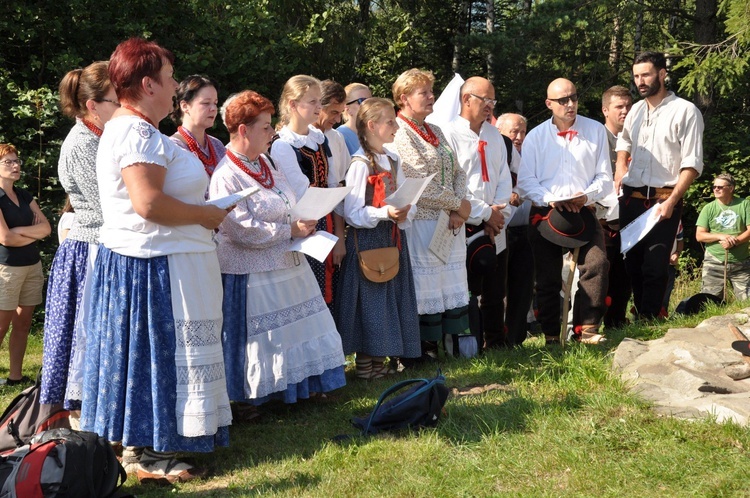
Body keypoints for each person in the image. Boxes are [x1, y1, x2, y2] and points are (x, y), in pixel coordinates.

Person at [81, 38, 232, 485]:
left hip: (164, 257)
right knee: (158, 355)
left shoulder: (139, 129)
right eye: (168, 79)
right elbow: (148, 203)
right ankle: (148, 452)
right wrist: (205, 215)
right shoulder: (133, 131)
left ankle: (150, 447)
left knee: (157, 355)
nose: (173, 88)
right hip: (151, 263)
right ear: (148, 84)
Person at [210, 90, 346, 402]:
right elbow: (240, 228)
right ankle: (255, 398)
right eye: (266, 128)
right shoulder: (226, 174)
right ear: (243, 130)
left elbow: (288, 198)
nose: (272, 133)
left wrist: (303, 220)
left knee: (298, 330)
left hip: (287, 259)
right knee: (266, 338)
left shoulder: (266, 162)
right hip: (251, 272)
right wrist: (289, 230)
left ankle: (300, 387)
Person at [42, 61, 119, 410]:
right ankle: (83, 418)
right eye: (116, 102)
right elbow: (107, 207)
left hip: (102, 246)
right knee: (85, 335)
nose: (122, 108)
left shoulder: (100, 136)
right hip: (89, 250)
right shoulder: (81, 144)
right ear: (93, 105)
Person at [517, 78, 612, 345]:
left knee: (597, 263)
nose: (570, 104)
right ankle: (551, 335)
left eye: (573, 98)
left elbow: (605, 176)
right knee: (547, 277)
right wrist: (551, 200)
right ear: (549, 104)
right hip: (546, 213)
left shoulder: (595, 130)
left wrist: (585, 196)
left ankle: (588, 329)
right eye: (562, 100)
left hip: (584, 210)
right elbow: (525, 181)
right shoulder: (535, 136)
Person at [334, 97, 420, 378]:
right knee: (370, 301)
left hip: (392, 237)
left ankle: (379, 363)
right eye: (390, 121)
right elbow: (353, 213)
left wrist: (407, 211)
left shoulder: (393, 159)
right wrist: (385, 214)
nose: (396, 126)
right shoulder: (360, 163)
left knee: (389, 299)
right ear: (372, 125)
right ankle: (365, 364)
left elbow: (408, 196)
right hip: (369, 241)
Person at [615, 51, 704, 319]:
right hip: (630, 200)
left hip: (663, 200)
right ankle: (643, 316)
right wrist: (620, 167)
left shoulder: (685, 111)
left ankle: (650, 318)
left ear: (662, 74)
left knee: (655, 265)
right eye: (636, 76)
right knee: (633, 266)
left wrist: (672, 202)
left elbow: (692, 163)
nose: (640, 81)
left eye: (646, 75)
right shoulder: (636, 111)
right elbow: (624, 142)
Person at [391, 68, 471, 361]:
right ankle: (421, 349)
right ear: (404, 98)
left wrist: (458, 207)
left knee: (444, 283)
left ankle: (445, 346)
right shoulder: (400, 132)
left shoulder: (435, 130)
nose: (430, 96)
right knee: (426, 286)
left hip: (449, 220)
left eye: (430, 90)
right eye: (423, 92)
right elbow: (418, 181)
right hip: (423, 221)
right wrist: (456, 205)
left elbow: (458, 171)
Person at [439, 77, 512, 350]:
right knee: (467, 288)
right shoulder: (447, 134)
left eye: (493, 101)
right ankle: (467, 346)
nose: (490, 107)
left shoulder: (493, 135)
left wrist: (497, 212)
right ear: (466, 99)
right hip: (464, 223)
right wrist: (484, 214)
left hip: (495, 222)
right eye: (485, 100)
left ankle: (496, 342)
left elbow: (503, 176)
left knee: (496, 286)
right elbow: (452, 185)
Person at [270, 75, 342, 311]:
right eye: (312, 101)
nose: (318, 107)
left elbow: (331, 181)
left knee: (329, 287)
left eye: (319, 101)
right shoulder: (283, 144)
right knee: (309, 290)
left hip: (325, 217)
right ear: (292, 104)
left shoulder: (318, 138)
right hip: (303, 224)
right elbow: (300, 191)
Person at [0, 144, 51, 385]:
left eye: (16, 160)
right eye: (8, 162)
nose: (15, 165)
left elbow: (47, 228)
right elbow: (5, 238)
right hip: (7, 267)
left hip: (32, 265)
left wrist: (20, 230)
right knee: (1, 324)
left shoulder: (23, 195)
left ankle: (15, 377)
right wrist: (32, 233)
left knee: (23, 323)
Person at [496, 113, 536, 345]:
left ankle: (516, 338)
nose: (519, 137)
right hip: (501, 229)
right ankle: (494, 337)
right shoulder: (496, 151)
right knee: (497, 287)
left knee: (522, 287)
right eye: (514, 132)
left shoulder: (531, 155)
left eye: (522, 132)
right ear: (499, 130)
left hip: (526, 230)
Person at [600, 85, 633, 328]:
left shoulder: (635, 140)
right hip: (603, 219)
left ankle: (617, 322)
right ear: (605, 110)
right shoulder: (597, 139)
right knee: (600, 273)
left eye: (628, 106)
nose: (625, 111)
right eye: (618, 107)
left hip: (630, 216)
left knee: (626, 273)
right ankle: (588, 325)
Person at [313, 80, 350, 270]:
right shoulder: (290, 139)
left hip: (329, 223)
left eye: (340, 113)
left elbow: (339, 187)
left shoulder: (336, 138)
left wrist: (338, 236)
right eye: (334, 112)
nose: (337, 119)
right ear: (319, 106)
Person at [695, 173, 750, 301]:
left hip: (741, 262)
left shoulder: (744, 204)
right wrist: (721, 236)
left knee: (746, 303)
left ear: (731, 188)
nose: (716, 189)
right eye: (714, 187)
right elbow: (699, 235)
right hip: (714, 261)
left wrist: (735, 241)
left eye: (720, 187)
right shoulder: (708, 208)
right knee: (709, 302)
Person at [170, 75, 226, 178]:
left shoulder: (217, 145)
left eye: (215, 103)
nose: (213, 108)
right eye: (206, 103)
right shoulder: (173, 147)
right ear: (185, 106)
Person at [339, 83, 372, 154]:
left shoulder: (373, 134)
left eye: (370, 101)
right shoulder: (340, 136)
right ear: (347, 108)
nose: (368, 106)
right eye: (362, 101)